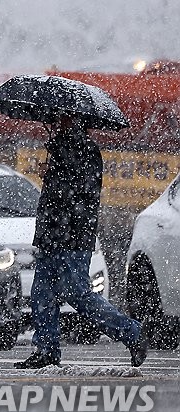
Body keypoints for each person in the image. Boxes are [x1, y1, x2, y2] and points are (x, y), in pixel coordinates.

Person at [16, 114, 148, 369]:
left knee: (77, 294)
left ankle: (132, 333)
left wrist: (54, 177)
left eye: (61, 118)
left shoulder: (83, 150)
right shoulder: (62, 149)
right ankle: (46, 350)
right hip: (53, 237)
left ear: (74, 120)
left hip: (72, 237)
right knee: (42, 295)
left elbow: (82, 193)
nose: (55, 122)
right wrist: (52, 173)